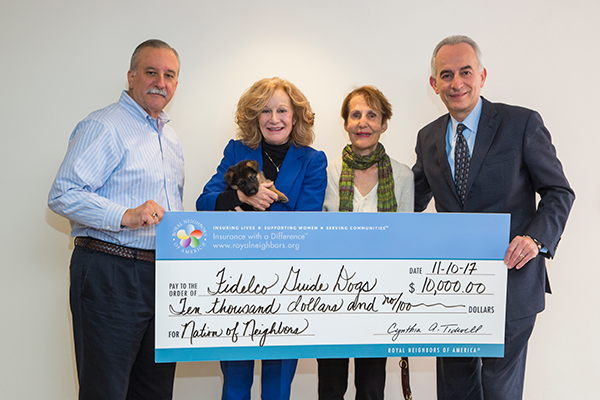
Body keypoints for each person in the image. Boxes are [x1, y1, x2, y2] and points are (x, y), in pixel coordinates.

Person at [412, 35, 575, 400]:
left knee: (500, 393)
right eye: (447, 74)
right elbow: (411, 200)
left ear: (482, 75)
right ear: (434, 83)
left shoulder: (522, 123)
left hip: (511, 287)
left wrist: (535, 239)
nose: (457, 83)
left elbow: (559, 192)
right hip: (448, 294)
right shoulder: (428, 138)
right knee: (455, 392)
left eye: (465, 72)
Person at [48, 39, 184, 400]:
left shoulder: (170, 139)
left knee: (155, 391)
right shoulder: (104, 125)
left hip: (160, 277)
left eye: (170, 75)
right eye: (151, 72)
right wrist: (125, 215)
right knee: (105, 391)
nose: (161, 82)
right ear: (131, 76)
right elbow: (63, 194)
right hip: (111, 272)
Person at [196, 77, 327, 399]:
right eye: (265, 111)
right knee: (235, 384)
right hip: (236, 284)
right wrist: (242, 195)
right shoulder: (236, 150)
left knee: (278, 387)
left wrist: (254, 208)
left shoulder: (313, 160)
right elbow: (205, 202)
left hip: (289, 284)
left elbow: (306, 224)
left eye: (282, 110)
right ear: (254, 116)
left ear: (295, 117)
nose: (274, 119)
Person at [318, 86, 414, 400]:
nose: (363, 123)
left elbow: (405, 237)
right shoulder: (326, 171)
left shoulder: (402, 176)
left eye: (372, 115)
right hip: (330, 297)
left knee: (372, 390)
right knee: (331, 388)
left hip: (380, 299)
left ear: (384, 123)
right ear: (345, 122)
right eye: (356, 114)